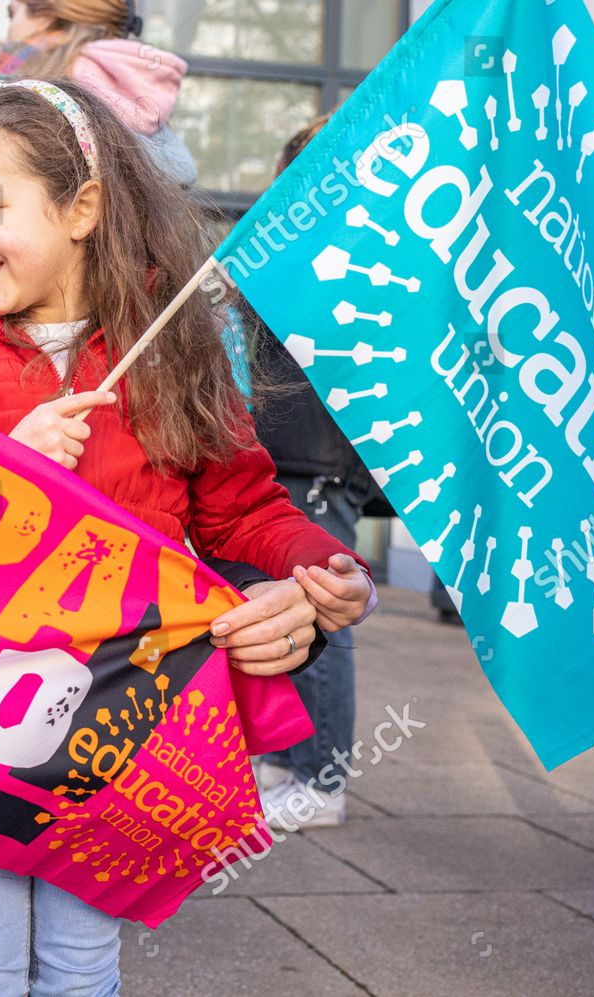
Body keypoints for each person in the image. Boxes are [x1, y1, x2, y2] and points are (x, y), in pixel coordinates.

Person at [0, 79, 378, 996]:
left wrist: (319, 561)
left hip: (125, 717)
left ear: (81, 207)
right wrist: (2, 465)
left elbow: (240, 507)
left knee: (82, 963)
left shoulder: (175, 345)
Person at [246, 113, 384, 830]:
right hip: (288, 452)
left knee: (324, 615)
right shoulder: (291, 245)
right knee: (285, 611)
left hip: (322, 458)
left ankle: (324, 778)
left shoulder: (361, 251)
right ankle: (288, 759)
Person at [0, 0, 196, 321]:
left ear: (52, 22)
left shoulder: (16, 118)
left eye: (13, 14)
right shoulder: (143, 117)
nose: (8, 32)